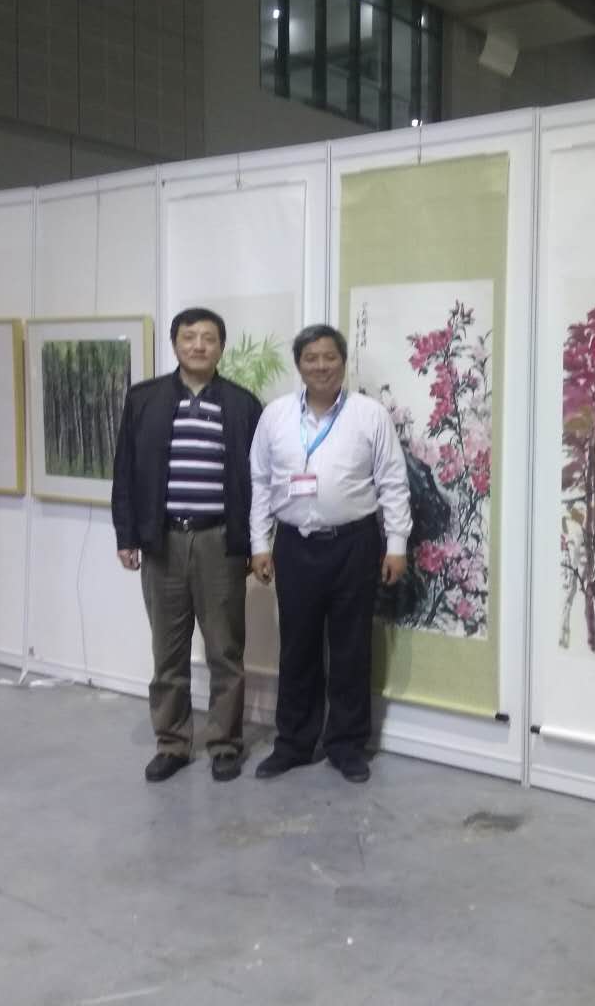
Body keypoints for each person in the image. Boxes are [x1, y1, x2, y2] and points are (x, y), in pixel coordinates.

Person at [248, 324, 411, 783]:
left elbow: (393, 481)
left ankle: (346, 745)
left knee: (351, 648)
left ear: (343, 362)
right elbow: (259, 481)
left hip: (354, 545)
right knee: (297, 647)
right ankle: (294, 743)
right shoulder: (276, 416)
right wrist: (259, 543)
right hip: (294, 545)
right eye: (311, 358)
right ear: (298, 365)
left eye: (330, 357)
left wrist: (396, 544)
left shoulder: (369, 415)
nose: (321, 366)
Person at [111, 307, 263, 783]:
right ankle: (173, 744)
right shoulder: (145, 399)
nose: (199, 345)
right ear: (175, 344)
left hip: (220, 541)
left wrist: (255, 542)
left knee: (225, 651)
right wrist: (126, 535)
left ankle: (224, 744)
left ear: (221, 347)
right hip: (163, 542)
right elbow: (125, 471)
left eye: (209, 338)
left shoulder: (242, 404)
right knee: (168, 652)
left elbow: (259, 481)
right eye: (190, 337)